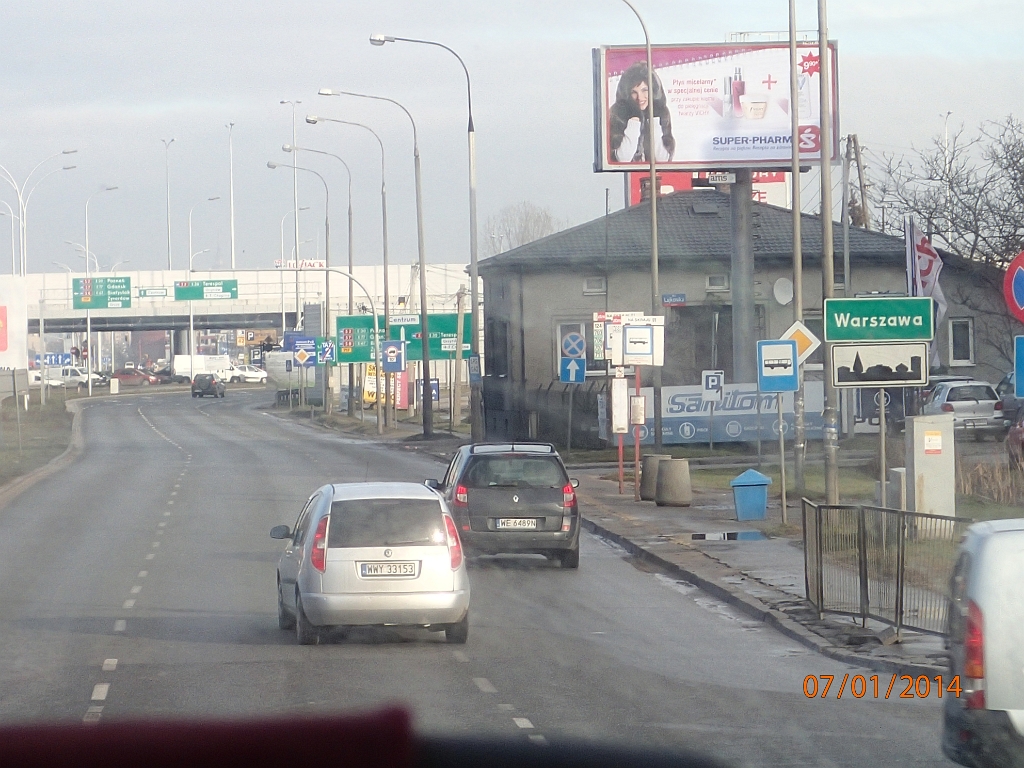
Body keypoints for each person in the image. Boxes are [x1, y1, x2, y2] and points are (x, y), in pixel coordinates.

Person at [609, 62, 675, 163]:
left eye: (645, 90)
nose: (640, 97)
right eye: (634, 92)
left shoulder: (661, 112)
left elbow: (663, 160)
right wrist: (633, 124)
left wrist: (654, 123)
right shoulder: (617, 114)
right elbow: (622, 160)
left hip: (654, 173)